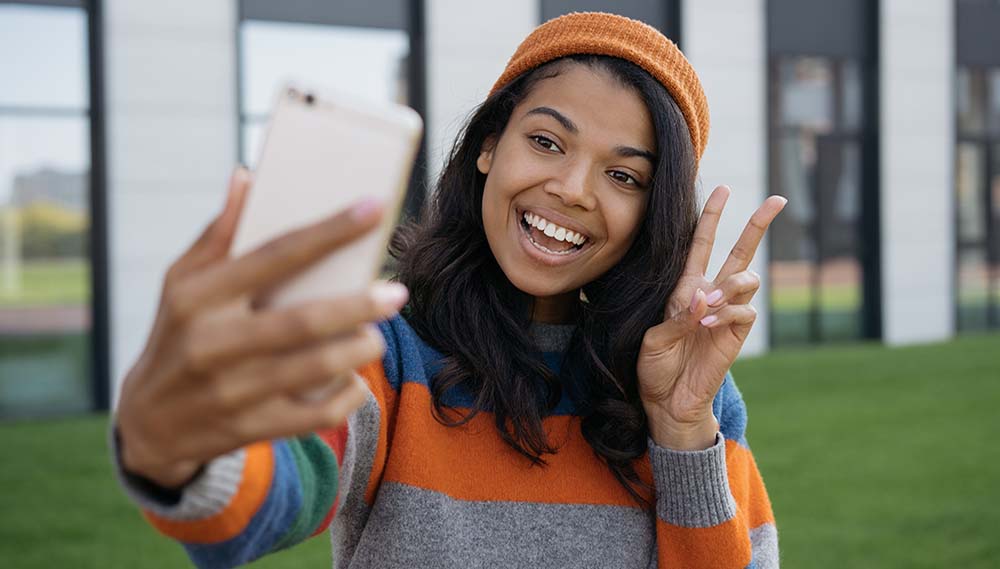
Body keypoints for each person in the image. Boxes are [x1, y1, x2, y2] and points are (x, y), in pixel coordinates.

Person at [112, 12, 785, 569]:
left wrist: (681, 427)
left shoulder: (689, 387)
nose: (574, 190)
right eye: (547, 141)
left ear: (650, 214)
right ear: (488, 145)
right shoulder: (384, 350)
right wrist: (171, 442)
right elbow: (266, 499)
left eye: (625, 177)